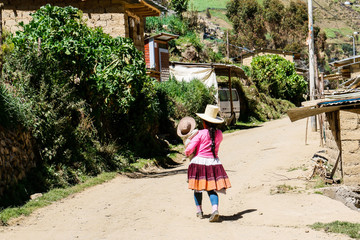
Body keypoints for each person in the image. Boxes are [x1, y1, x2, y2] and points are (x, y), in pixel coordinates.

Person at [185, 104, 231, 222]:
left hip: (199, 163)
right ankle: (215, 210)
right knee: (211, 189)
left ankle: (199, 211)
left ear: (204, 122)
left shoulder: (200, 133)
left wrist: (186, 148)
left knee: (197, 188)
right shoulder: (219, 134)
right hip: (213, 163)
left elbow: (189, 150)